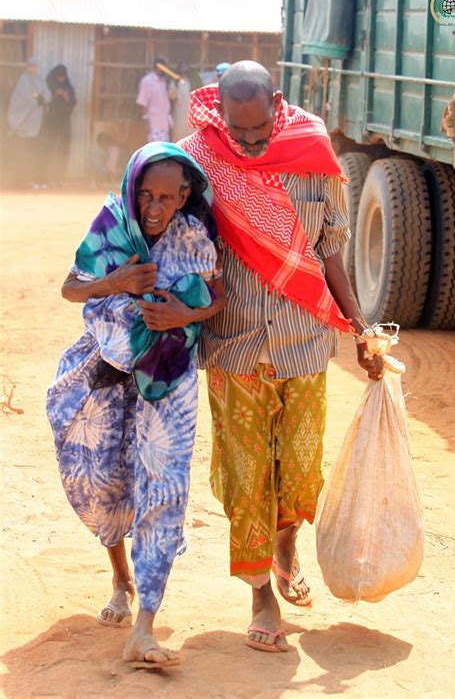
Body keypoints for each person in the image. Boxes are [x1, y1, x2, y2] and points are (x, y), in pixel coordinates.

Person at [179, 61, 384, 653]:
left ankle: (286, 543)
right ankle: (260, 596)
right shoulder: (202, 158)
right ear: (219, 108)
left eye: (256, 130)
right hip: (235, 340)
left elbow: (332, 252)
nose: (246, 144)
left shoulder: (314, 151)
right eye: (236, 132)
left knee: (297, 468)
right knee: (246, 475)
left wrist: (362, 330)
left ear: (275, 101)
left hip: (303, 340)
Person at [46, 142, 226, 668]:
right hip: (108, 371)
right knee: (107, 479)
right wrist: (116, 282)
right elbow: (70, 287)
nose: (153, 208)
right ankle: (120, 577)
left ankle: (144, 625)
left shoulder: (195, 233)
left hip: (170, 376)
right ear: (132, 188)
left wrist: (182, 318)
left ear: (184, 194)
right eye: (145, 195)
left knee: (164, 487)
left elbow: (217, 298)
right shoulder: (113, 222)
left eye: (166, 197)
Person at [7, 57, 49, 188]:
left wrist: (43, 99)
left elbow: (47, 94)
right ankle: (21, 180)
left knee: (34, 152)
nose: (33, 69)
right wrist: (38, 99)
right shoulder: (23, 80)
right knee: (23, 152)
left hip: (36, 123)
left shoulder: (39, 79)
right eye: (31, 66)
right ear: (27, 67)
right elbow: (27, 97)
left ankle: (32, 179)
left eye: (35, 66)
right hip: (22, 122)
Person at [43, 64, 76, 186]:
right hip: (51, 123)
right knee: (49, 149)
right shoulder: (49, 86)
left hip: (65, 123)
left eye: (63, 76)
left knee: (63, 150)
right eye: (59, 76)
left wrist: (67, 97)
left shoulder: (68, 87)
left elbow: (73, 102)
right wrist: (57, 93)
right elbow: (45, 101)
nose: (61, 78)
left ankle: (60, 178)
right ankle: (46, 178)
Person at [136, 57, 173, 141]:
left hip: (164, 125)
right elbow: (143, 103)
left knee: (164, 152)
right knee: (155, 151)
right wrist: (146, 123)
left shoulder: (163, 81)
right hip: (153, 126)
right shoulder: (147, 81)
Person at [169, 62, 194, 142]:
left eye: (185, 69)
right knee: (178, 138)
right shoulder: (175, 82)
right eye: (182, 69)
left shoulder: (192, 82)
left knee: (191, 139)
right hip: (179, 115)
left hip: (191, 115)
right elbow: (171, 96)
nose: (184, 71)